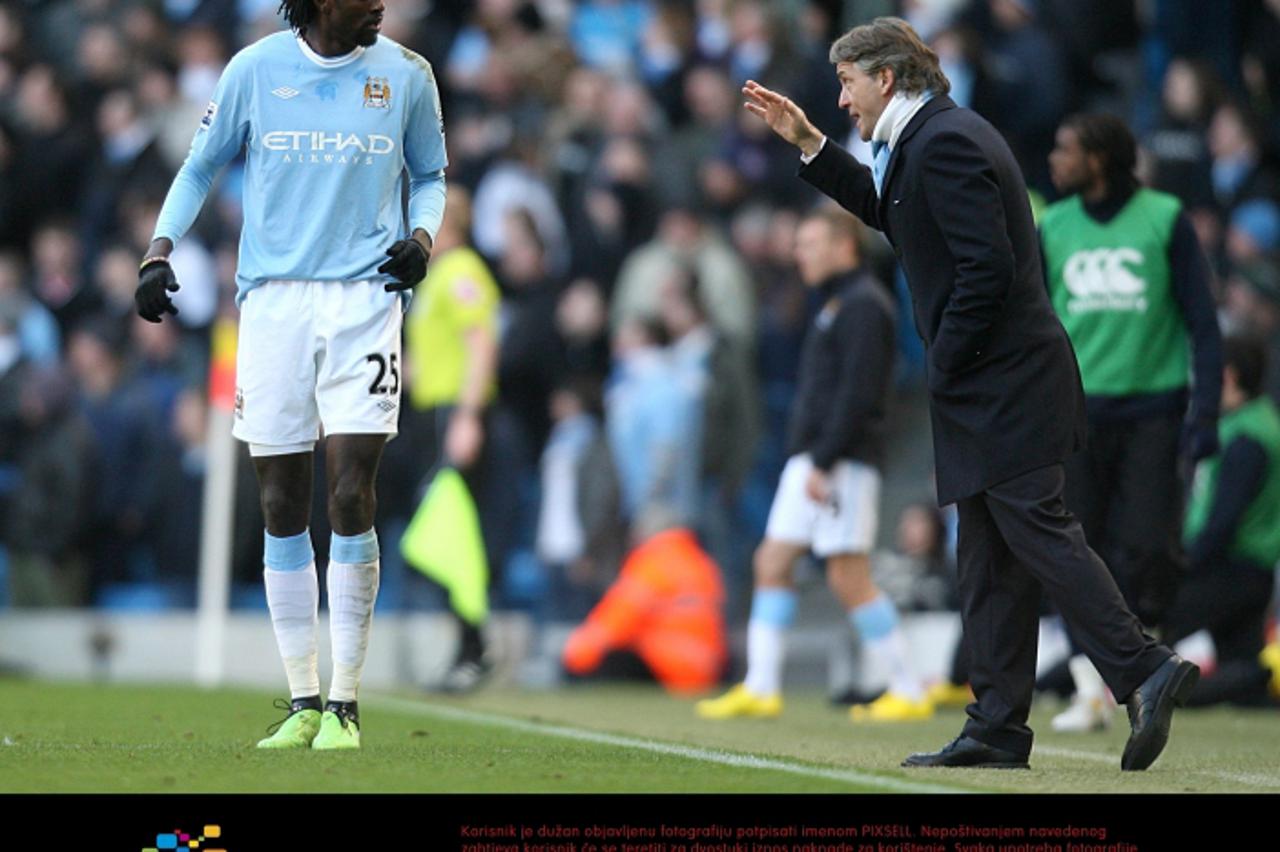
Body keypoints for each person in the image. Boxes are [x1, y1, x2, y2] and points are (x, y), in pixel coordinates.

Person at [742, 16, 1194, 770]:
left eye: (848, 83)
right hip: (995, 380)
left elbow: (986, 270)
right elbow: (890, 212)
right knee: (989, 559)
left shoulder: (945, 142)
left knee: (1036, 534)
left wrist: (946, 362)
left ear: (886, 78)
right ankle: (997, 726)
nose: (843, 99)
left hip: (1003, 381)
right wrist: (811, 144)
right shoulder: (931, 138)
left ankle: (1142, 667)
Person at [135, 0, 447, 750]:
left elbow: (432, 174)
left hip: (364, 301)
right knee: (280, 498)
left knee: (349, 490)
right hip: (272, 303)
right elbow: (200, 164)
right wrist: (157, 249)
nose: (379, 1)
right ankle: (302, 697)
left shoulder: (407, 75)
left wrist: (422, 236)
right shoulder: (255, 70)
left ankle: (345, 703)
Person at [696, 205, 932, 723]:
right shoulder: (834, 304)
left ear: (844, 247)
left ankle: (909, 687)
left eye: (809, 243)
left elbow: (860, 393)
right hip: (814, 459)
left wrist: (825, 459)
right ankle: (761, 686)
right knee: (772, 563)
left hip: (840, 461)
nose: (799, 252)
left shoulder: (865, 306)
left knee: (848, 576)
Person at [1040, 113, 1223, 732]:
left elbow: (1202, 321)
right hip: (1078, 413)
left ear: (1100, 158)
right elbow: (1040, 329)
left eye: (1066, 149)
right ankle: (1092, 689)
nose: (1054, 159)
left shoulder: (1165, 218)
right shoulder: (1053, 226)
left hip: (1154, 410)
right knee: (1074, 551)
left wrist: (1205, 412)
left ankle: (1147, 666)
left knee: (1143, 548)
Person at [394, 184, 501, 693]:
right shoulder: (437, 277)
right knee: (445, 534)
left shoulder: (461, 273)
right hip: (431, 414)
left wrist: (468, 417)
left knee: (451, 535)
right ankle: (467, 647)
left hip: (453, 413)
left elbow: (480, 345)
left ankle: (474, 648)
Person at [1162, 335, 1280, 707]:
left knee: (1158, 626)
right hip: (1253, 570)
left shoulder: (1246, 436)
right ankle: (1256, 679)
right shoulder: (1260, 423)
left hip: (1231, 569)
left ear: (1227, 377)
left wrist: (1185, 564)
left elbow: (1224, 519)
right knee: (1246, 683)